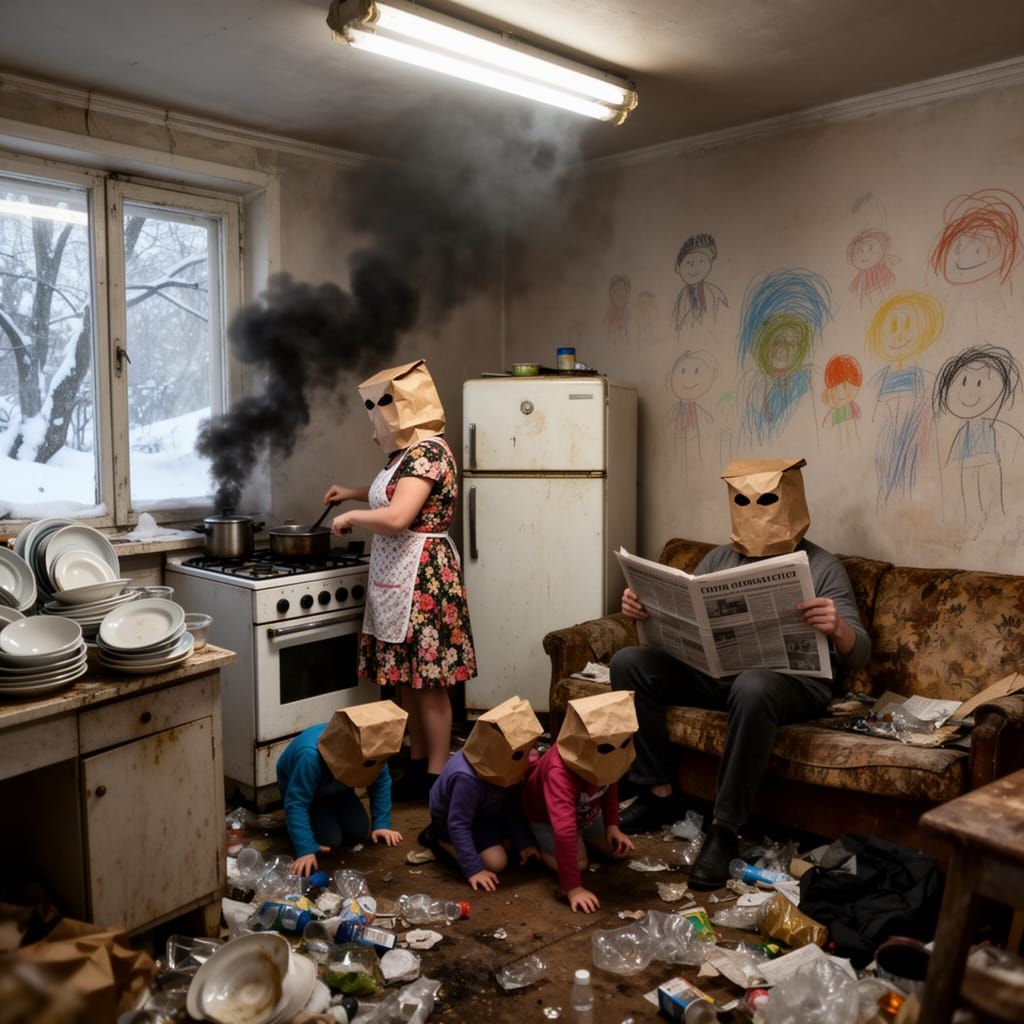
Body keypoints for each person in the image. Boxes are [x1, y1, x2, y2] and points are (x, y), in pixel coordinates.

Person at [611, 458, 871, 890]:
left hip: (791, 686)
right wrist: (643, 612)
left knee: (753, 686)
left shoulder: (823, 567)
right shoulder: (717, 559)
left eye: (768, 499)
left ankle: (724, 829)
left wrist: (838, 628)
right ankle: (658, 795)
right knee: (628, 663)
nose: (756, 507)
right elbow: (688, 620)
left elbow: (860, 652)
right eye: (745, 499)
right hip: (719, 676)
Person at [325, 359, 477, 800]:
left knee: (429, 683)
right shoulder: (406, 455)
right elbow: (394, 493)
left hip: (425, 577)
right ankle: (414, 761)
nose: (378, 418)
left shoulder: (429, 451)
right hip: (399, 575)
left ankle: (435, 776)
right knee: (407, 678)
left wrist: (352, 515)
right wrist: (351, 492)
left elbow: (398, 516)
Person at [520, 691, 637, 913]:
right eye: (604, 748)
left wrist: (613, 826)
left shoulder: (606, 763)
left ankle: (582, 841)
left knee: (616, 850)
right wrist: (572, 888)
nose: (614, 753)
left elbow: (610, 782)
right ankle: (531, 843)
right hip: (545, 817)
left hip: (585, 811)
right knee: (579, 864)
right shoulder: (560, 772)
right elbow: (563, 830)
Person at [422, 695, 542, 891]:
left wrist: (524, 843)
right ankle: (439, 840)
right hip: (450, 820)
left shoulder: (508, 767)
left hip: (485, 811)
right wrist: (473, 869)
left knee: (512, 849)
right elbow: (458, 823)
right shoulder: (467, 777)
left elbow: (511, 806)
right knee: (496, 863)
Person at [277, 700, 408, 876]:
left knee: (358, 832)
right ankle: (308, 823)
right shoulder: (310, 757)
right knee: (331, 840)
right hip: (310, 795)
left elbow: (382, 781)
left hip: (340, 789)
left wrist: (381, 824)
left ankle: (334, 807)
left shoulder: (372, 750)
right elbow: (296, 803)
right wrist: (305, 848)